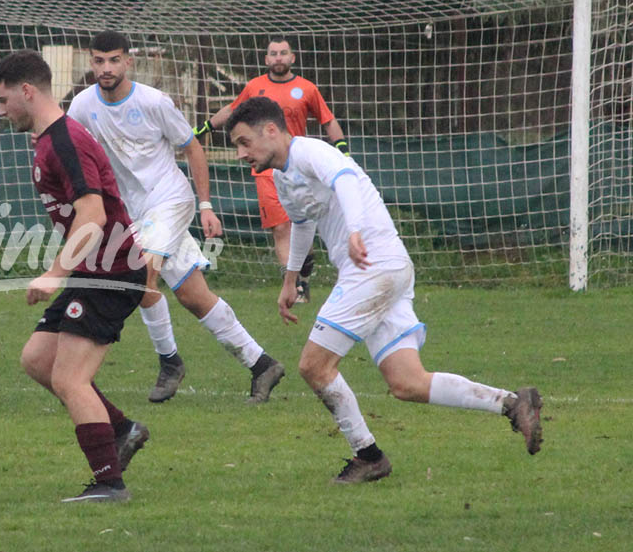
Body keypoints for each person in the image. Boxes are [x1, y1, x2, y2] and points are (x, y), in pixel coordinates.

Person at [226, 96, 543, 483]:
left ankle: (368, 456)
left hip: (371, 267)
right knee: (407, 382)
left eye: (244, 142)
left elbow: (345, 178)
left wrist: (355, 231)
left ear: (271, 130)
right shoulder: (281, 176)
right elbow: (303, 223)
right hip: (386, 268)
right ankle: (512, 403)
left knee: (313, 366)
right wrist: (291, 280)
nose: (241, 154)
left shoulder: (309, 151)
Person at [67, 30, 284, 404]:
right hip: (133, 211)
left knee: (141, 275)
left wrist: (205, 205)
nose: (106, 68)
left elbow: (192, 148)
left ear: (128, 61)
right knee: (193, 295)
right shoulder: (83, 105)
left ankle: (169, 362)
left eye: (114, 60)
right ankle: (261, 364)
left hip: (170, 199)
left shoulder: (154, 102)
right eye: (99, 61)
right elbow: (70, 145)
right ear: (91, 62)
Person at [0, 49, 150, 503]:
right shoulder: (49, 139)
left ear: (27, 91)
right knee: (38, 360)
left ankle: (109, 483)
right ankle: (122, 430)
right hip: (93, 269)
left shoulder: (66, 141)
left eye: (3, 101)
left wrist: (54, 273)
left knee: (70, 379)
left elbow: (93, 215)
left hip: (113, 271)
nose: (1, 111)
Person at [202, 36, 348, 303]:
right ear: (266, 59)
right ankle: (295, 286)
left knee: (301, 225)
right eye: (273, 53)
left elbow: (328, 120)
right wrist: (205, 127)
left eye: (283, 53)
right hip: (265, 172)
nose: (278, 57)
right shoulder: (254, 87)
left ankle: (304, 269)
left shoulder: (306, 88)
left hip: (297, 168)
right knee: (280, 228)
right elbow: (233, 110)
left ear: (292, 58)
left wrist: (343, 150)